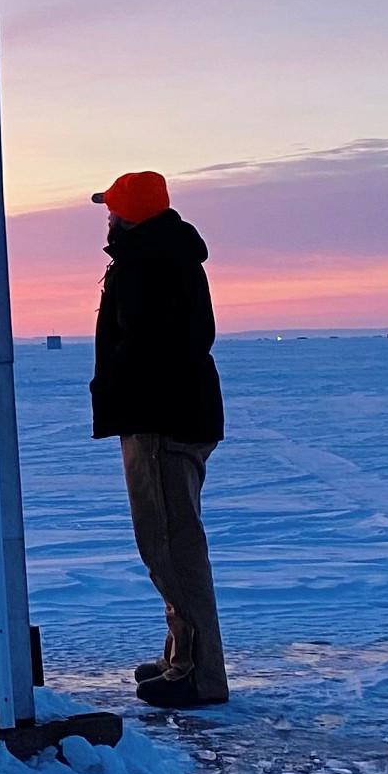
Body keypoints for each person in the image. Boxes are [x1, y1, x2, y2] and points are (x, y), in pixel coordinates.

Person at [89, 170, 228, 708]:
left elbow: (145, 343)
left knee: (169, 544)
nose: (108, 215)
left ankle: (199, 674)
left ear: (132, 215)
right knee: (171, 541)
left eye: (114, 207)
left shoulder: (147, 263)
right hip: (177, 415)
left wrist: (117, 386)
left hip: (161, 421)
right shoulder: (167, 255)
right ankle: (181, 657)